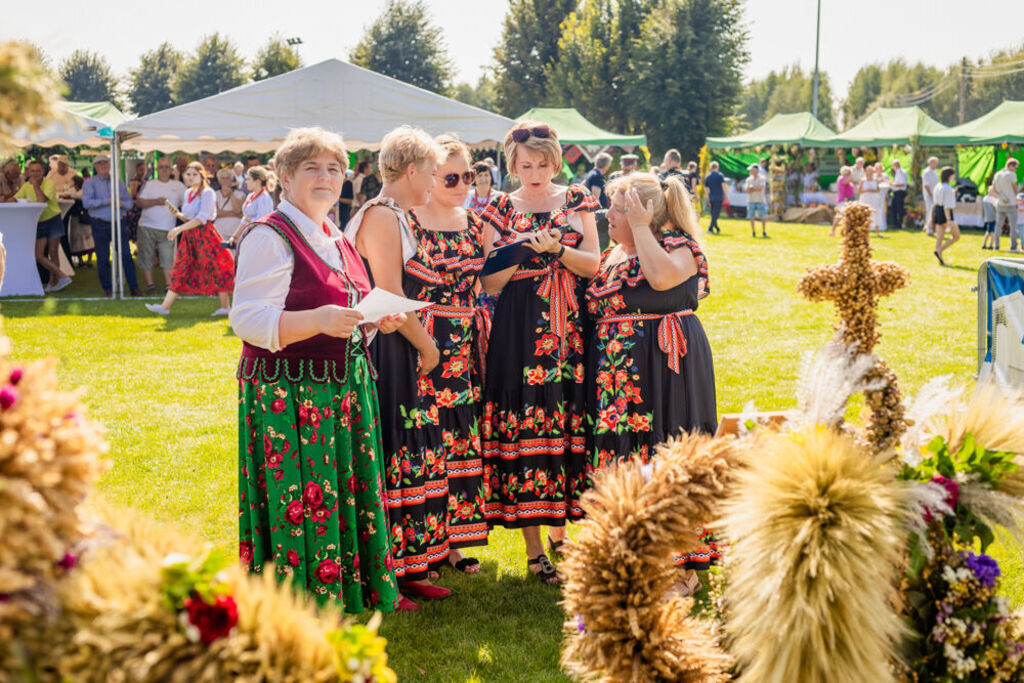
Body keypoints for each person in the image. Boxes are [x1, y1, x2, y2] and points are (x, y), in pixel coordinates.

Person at [231, 126, 405, 614]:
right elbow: (246, 319)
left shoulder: (335, 234)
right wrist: (318, 321)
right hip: (290, 394)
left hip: (341, 386)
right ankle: (302, 598)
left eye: (334, 168)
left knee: (340, 489)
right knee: (302, 496)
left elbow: (349, 308)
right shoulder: (269, 236)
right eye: (312, 167)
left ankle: (348, 587)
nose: (325, 177)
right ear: (286, 176)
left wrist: (374, 321)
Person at [478, 121, 600, 585]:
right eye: (526, 165)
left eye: (543, 164)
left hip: (570, 325)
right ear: (512, 165)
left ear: (556, 161)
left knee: (567, 417)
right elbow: (488, 282)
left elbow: (593, 262)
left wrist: (557, 254)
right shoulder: (499, 207)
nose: (535, 172)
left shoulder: (576, 199)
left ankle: (563, 531)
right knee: (525, 423)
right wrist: (523, 254)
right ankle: (534, 549)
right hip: (519, 326)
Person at [585, 171, 717, 581]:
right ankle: (630, 556)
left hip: (663, 366)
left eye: (618, 208)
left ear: (644, 213)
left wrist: (642, 228)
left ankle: (679, 570)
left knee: (665, 449)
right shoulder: (612, 256)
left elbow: (660, 278)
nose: (608, 214)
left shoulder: (677, 246)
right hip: (617, 375)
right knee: (624, 456)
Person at [346, 125, 452, 608]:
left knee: (410, 451)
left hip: (399, 345)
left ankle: (410, 565)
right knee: (392, 449)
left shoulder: (397, 216)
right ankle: (383, 570)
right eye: (431, 173)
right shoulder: (383, 216)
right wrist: (428, 348)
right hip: (386, 347)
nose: (435, 182)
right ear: (410, 169)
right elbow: (386, 295)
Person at [406, 135, 491, 574]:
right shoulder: (407, 220)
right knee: (425, 434)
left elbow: (487, 284)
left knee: (458, 433)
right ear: (430, 176)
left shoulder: (476, 223)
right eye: (452, 177)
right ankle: (425, 542)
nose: (462, 184)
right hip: (422, 334)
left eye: (469, 175)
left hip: (463, 334)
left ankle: (455, 541)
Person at [144, 161, 233, 316]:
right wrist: (178, 215)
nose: (191, 177)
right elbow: (190, 217)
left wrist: (179, 228)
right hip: (190, 235)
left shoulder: (208, 192)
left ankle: (226, 307)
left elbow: (201, 218)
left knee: (217, 268)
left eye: (194, 174)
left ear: (202, 175)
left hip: (206, 235)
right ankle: (165, 307)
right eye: (188, 174)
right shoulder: (188, 192)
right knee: (181, 268)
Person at [82, 154, 140, 297]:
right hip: (99, 223)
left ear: (109, 165)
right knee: (102, 258)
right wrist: (106, 200)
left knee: (126, 255)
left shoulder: (118, 182)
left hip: (118, 222)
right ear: (95, 167)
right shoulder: (90, 183)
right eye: (99, 163)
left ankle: (134, 288)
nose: (103, 165)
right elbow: (87, 203)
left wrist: (122, 204)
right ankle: (107, 289)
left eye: (105, 163)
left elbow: (130, 203)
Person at [134, 156, 186, 294]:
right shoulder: (150, 184)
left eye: (167, 167)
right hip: (147, 227)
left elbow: (187, 204)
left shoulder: (179, 186)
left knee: (168, 258)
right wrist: (156, 202)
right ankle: (151, 286)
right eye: (161, 167)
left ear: (171, 169)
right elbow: (138, 202)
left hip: (168, 228)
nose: (164, 170)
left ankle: (168, 286)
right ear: (157, 169)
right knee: (146, 257)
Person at [16, 159, 69, 292]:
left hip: (52, 219)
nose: (35, 173)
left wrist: (35, 186)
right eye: (32, 171)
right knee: (38, 255)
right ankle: (62, 276)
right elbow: (15, 198)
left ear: (43, 171)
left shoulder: (48, 183)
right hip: (38, 222)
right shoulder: (26, 186)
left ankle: (52, 283)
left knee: (53, 252)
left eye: (38, 170)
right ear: (28, 172)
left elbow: (41, 201)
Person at [230, 166, 276, 247]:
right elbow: (245, 219)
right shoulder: (250, 196)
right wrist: (234, 236)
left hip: (261, 239)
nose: (246, 181)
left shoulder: (264, 198)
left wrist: (249, 219)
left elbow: (262, 221)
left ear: (257, 181)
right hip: (250, 236)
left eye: (249, 179)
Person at [932, 166, 959, 265]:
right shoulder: (947, 188)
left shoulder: (938, 186)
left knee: (940, 237)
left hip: (938, 211)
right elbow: (947, 206)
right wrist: (948, 219)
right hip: (945, 213)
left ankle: (940, 257)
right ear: (949, 176)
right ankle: (940, 250)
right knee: (956, 236)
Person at [991, 158, 1020, 252]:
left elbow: (992, 189)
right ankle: (1013, 247)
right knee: (1013, 226)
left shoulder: (997, 174)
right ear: (1011, 166)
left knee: (998, 226)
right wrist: (1015, 196)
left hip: (1000, 203)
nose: (1015, 170)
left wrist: (1000, 197)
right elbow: (1015, 188)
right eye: (1015, 168)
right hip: (1011, 203)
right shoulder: (1011, 174)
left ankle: (996, 246)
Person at [213, 168, 245, 240]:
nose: (225, 180)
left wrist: (231, 194)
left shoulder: (240, 194)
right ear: (219, 180)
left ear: (231, 179)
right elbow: (217, 213)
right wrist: (235, 214)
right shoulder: (215, 194)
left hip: (235, 229)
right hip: (220, 228)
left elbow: (238, 210)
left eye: (227, 178)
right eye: (222, 178)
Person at [858, 165, 883, 236]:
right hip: (865, 198)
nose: (870, 173)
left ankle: (877, 231)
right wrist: (866, 190)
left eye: (871, 172)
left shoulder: (875, 180)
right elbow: (859, 191)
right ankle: (863, 230)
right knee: (864, 214)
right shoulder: (863, 180)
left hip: (873, 198)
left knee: (875, 213)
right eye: (868, 171)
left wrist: (873, 190)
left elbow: (878, 190)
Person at [744, 164, 768, 237]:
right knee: (751, 216)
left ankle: (764, 231)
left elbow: (760, 188)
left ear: (755, 171)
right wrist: (754, 188)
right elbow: (747, 190)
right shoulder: (748, 179)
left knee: (763, 216)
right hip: (751, 200)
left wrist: (752, 188)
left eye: (751, 170)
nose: (750, 172)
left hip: (760, 200)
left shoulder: (762, 178)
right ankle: (753, 232)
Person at [704, 161, 725, 235]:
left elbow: (706, 190)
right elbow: (724, 186)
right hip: (719, 197)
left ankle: (716, 228)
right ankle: (710, 228)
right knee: (716, 214)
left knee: (713, 214)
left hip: (711, 197)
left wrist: (708, 199)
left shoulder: (707, 177)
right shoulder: (720, 176)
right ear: (717, 167)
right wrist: (726, 196)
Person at [921, 156, 939, 235]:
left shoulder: (935, 172)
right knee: (929, 210)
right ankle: (929, 229)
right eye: (935, 163)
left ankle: (926, 226)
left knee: (931, 211)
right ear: (930, 163)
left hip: (934, 194)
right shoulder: (926, 172)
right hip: (929, 195)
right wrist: (931, 195)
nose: (936, 165)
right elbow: (926, 185)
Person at [889, 160, 907, 229]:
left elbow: (902, 184)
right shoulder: (897, 172)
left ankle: (899, 224)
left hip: (900, 192)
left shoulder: (901, 172)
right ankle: (895, 224)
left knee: (899, 209)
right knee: (894, 208)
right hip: (896, 192)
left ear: (895, 165)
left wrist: (892, 184)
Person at [982, 181, 999, 251]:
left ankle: (984, 244)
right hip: (994, 217)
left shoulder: (985, 198)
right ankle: (991, 245)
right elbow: (997, 207)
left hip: (987, 217)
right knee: (993, 232)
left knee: (988, 231)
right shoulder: (993, 199)